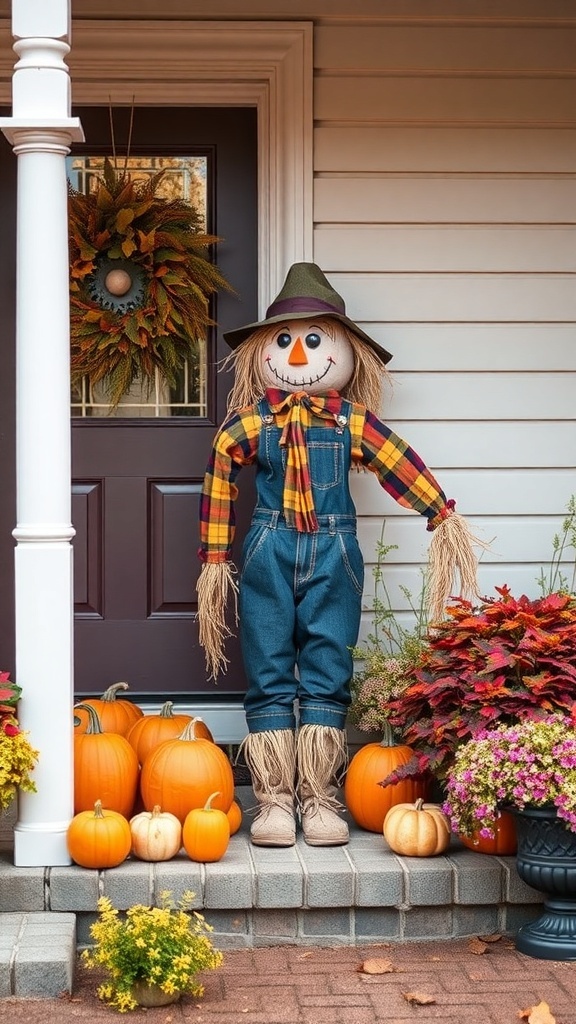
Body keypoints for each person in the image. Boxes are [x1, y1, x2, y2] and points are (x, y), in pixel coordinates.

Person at [197, 262, 479, 848]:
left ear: (346, 352)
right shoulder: (251, 425)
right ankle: (274, 798)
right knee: (269, 663)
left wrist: (441, 515)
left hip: (335, 552)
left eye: (315, 341)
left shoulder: (352, 422)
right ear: (262, 352)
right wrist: (215, 560)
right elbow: (221, 470)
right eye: (284, 342)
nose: (298, 356)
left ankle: (321, 796)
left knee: (329, 666)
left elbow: (399, 461)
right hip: (269, 548)